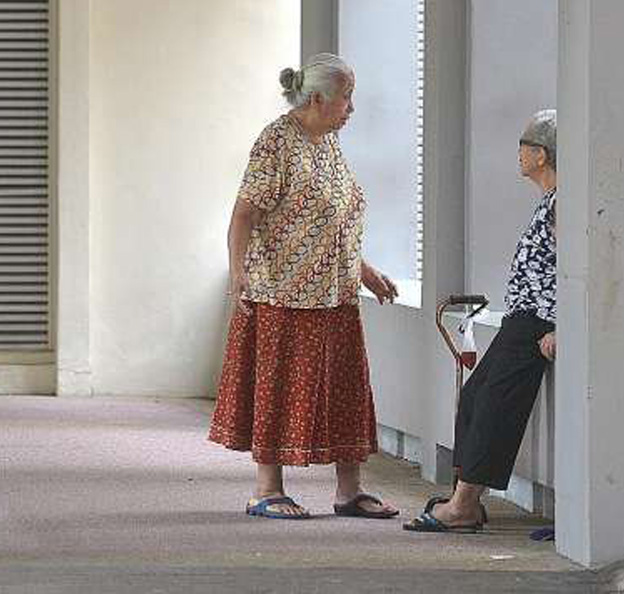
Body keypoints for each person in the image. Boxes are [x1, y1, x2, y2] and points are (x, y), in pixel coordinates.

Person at [208, 53, 402, 520]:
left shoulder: (329, 142)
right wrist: (238, 275)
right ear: (317, 98)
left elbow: (331, 218)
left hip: (336, 294)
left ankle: (349, 492)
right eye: (346, 97)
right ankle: (266, 490)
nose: (352, 107)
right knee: (280, 390)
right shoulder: (277, 141)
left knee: (346, 389)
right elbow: (243, 215)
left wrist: (362, 269)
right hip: (285, 293)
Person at [404, 109, 557, 533]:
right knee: (475, 398)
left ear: (541, 155)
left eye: (524, 145)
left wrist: (559, 326)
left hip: (536, 323)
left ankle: (463, 506)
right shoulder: (548, 201)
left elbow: (572, 268)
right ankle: (464, 498)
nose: (519, 152)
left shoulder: (561, 203)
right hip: (520, 319)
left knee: (495, 406)